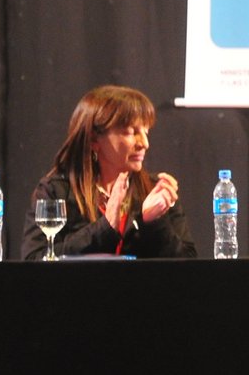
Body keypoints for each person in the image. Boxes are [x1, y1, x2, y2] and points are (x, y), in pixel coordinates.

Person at [21, 85, 195, 260]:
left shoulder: (154, 191)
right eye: (130, 132)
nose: (144, 143)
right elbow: (35, 259)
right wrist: (105, 228)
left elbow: (188, 265)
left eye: (146, 131)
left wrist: (154, 222)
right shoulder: (56, 192)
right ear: (94, 140)